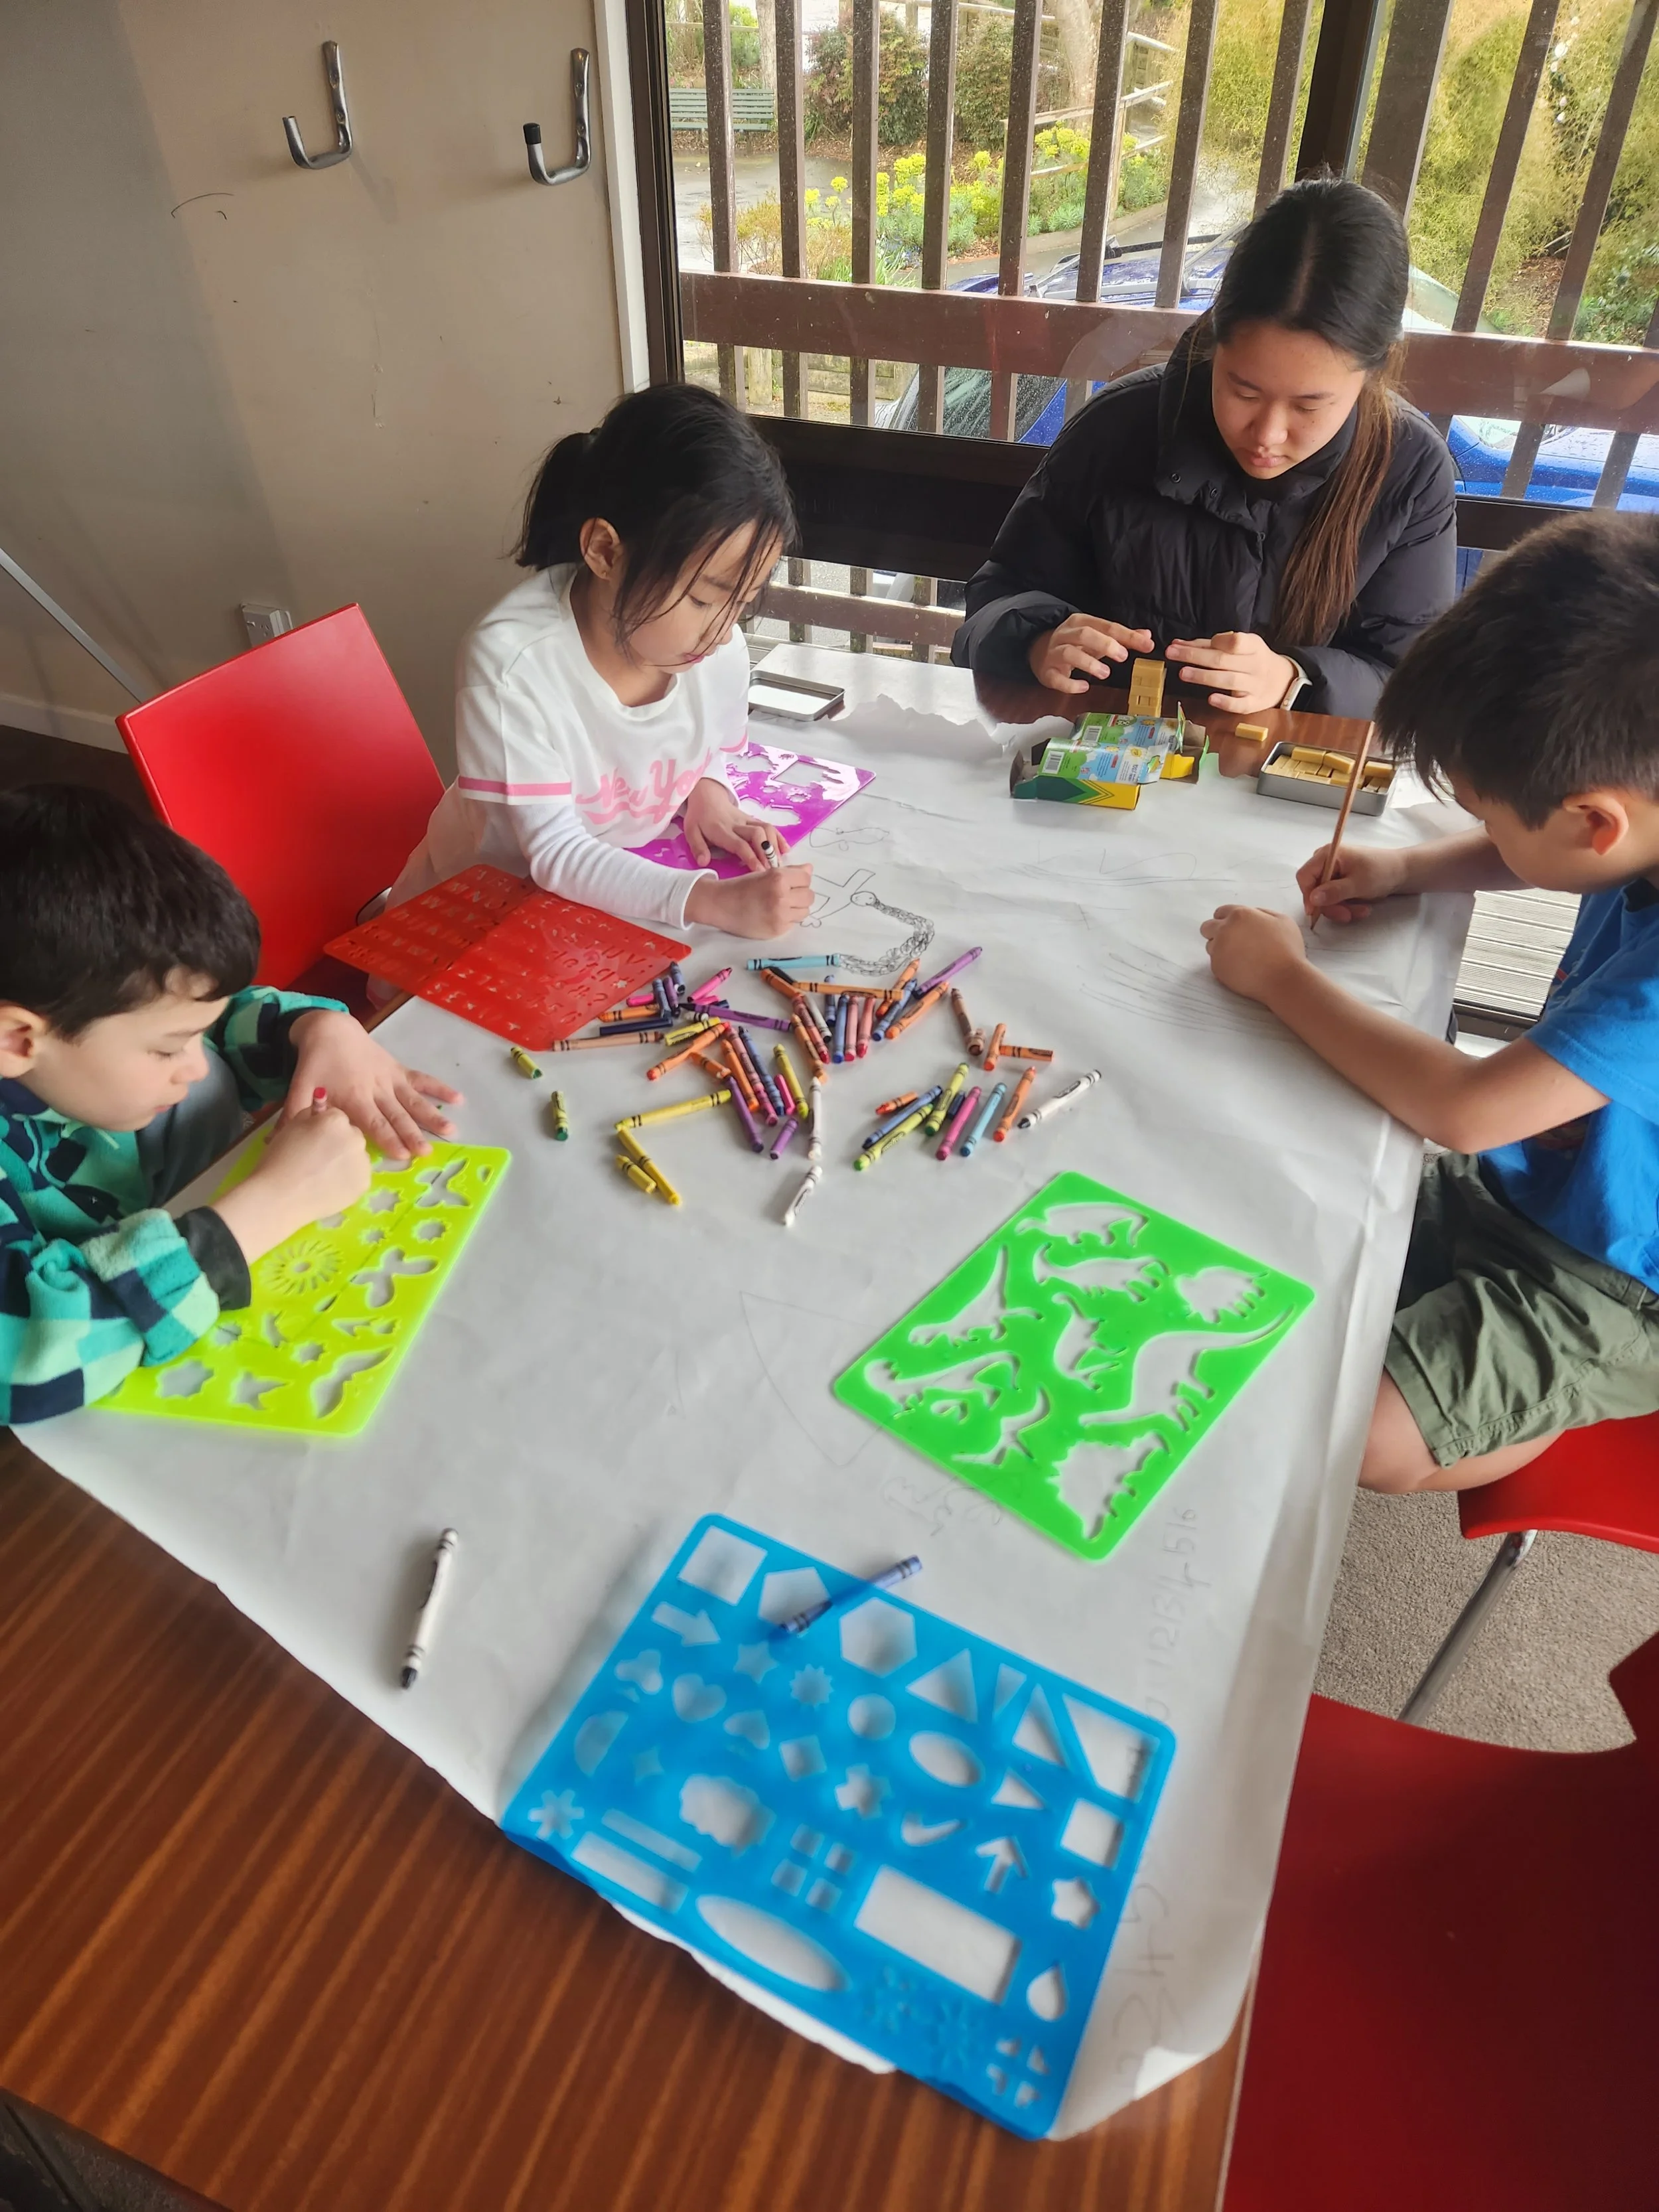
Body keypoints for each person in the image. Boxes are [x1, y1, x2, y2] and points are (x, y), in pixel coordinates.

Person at [1199, 512, 1659, 1493]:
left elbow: (1467, 1106)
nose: (1481, 829)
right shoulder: (1627, 815)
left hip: (1620, 1279)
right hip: (1534, 1179)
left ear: (1594, 820)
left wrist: (1283, 975)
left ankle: (1559, 1390)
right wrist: (1409, 865)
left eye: (1483, 808)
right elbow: (1537, 845)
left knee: (1362, 1437)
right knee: (1266, 1207)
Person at [0, 785, 462, 1424]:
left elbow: (211, 1025)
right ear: (17, 1039)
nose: (194, 1061)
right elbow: (28, 1359)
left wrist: (321, 1032)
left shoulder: (80, 1016)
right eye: (167, 1051)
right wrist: (270, 1207)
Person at [952, 179, 1456, 719]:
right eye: (1243, 390)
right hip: (1104, 768)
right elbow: (996, 596)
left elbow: (1410, 679)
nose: (1266, 434)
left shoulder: (1410, 472)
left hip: (1274, 785)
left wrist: (1295, 676)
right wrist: (1037, 641)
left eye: (1309, 407)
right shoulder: (1118, 429)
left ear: (1371, 374)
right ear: (1215, 337)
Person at [392, 384, 813, 938]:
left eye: (745, 597)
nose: (724, 627)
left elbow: (701, 745)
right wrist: (709, 901)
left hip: (588, 918)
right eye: (706, 598)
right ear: (606, 551)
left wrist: (706, 791)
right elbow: (556, 853)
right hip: (473, 920)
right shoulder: (513, 665)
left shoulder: (714, 652)